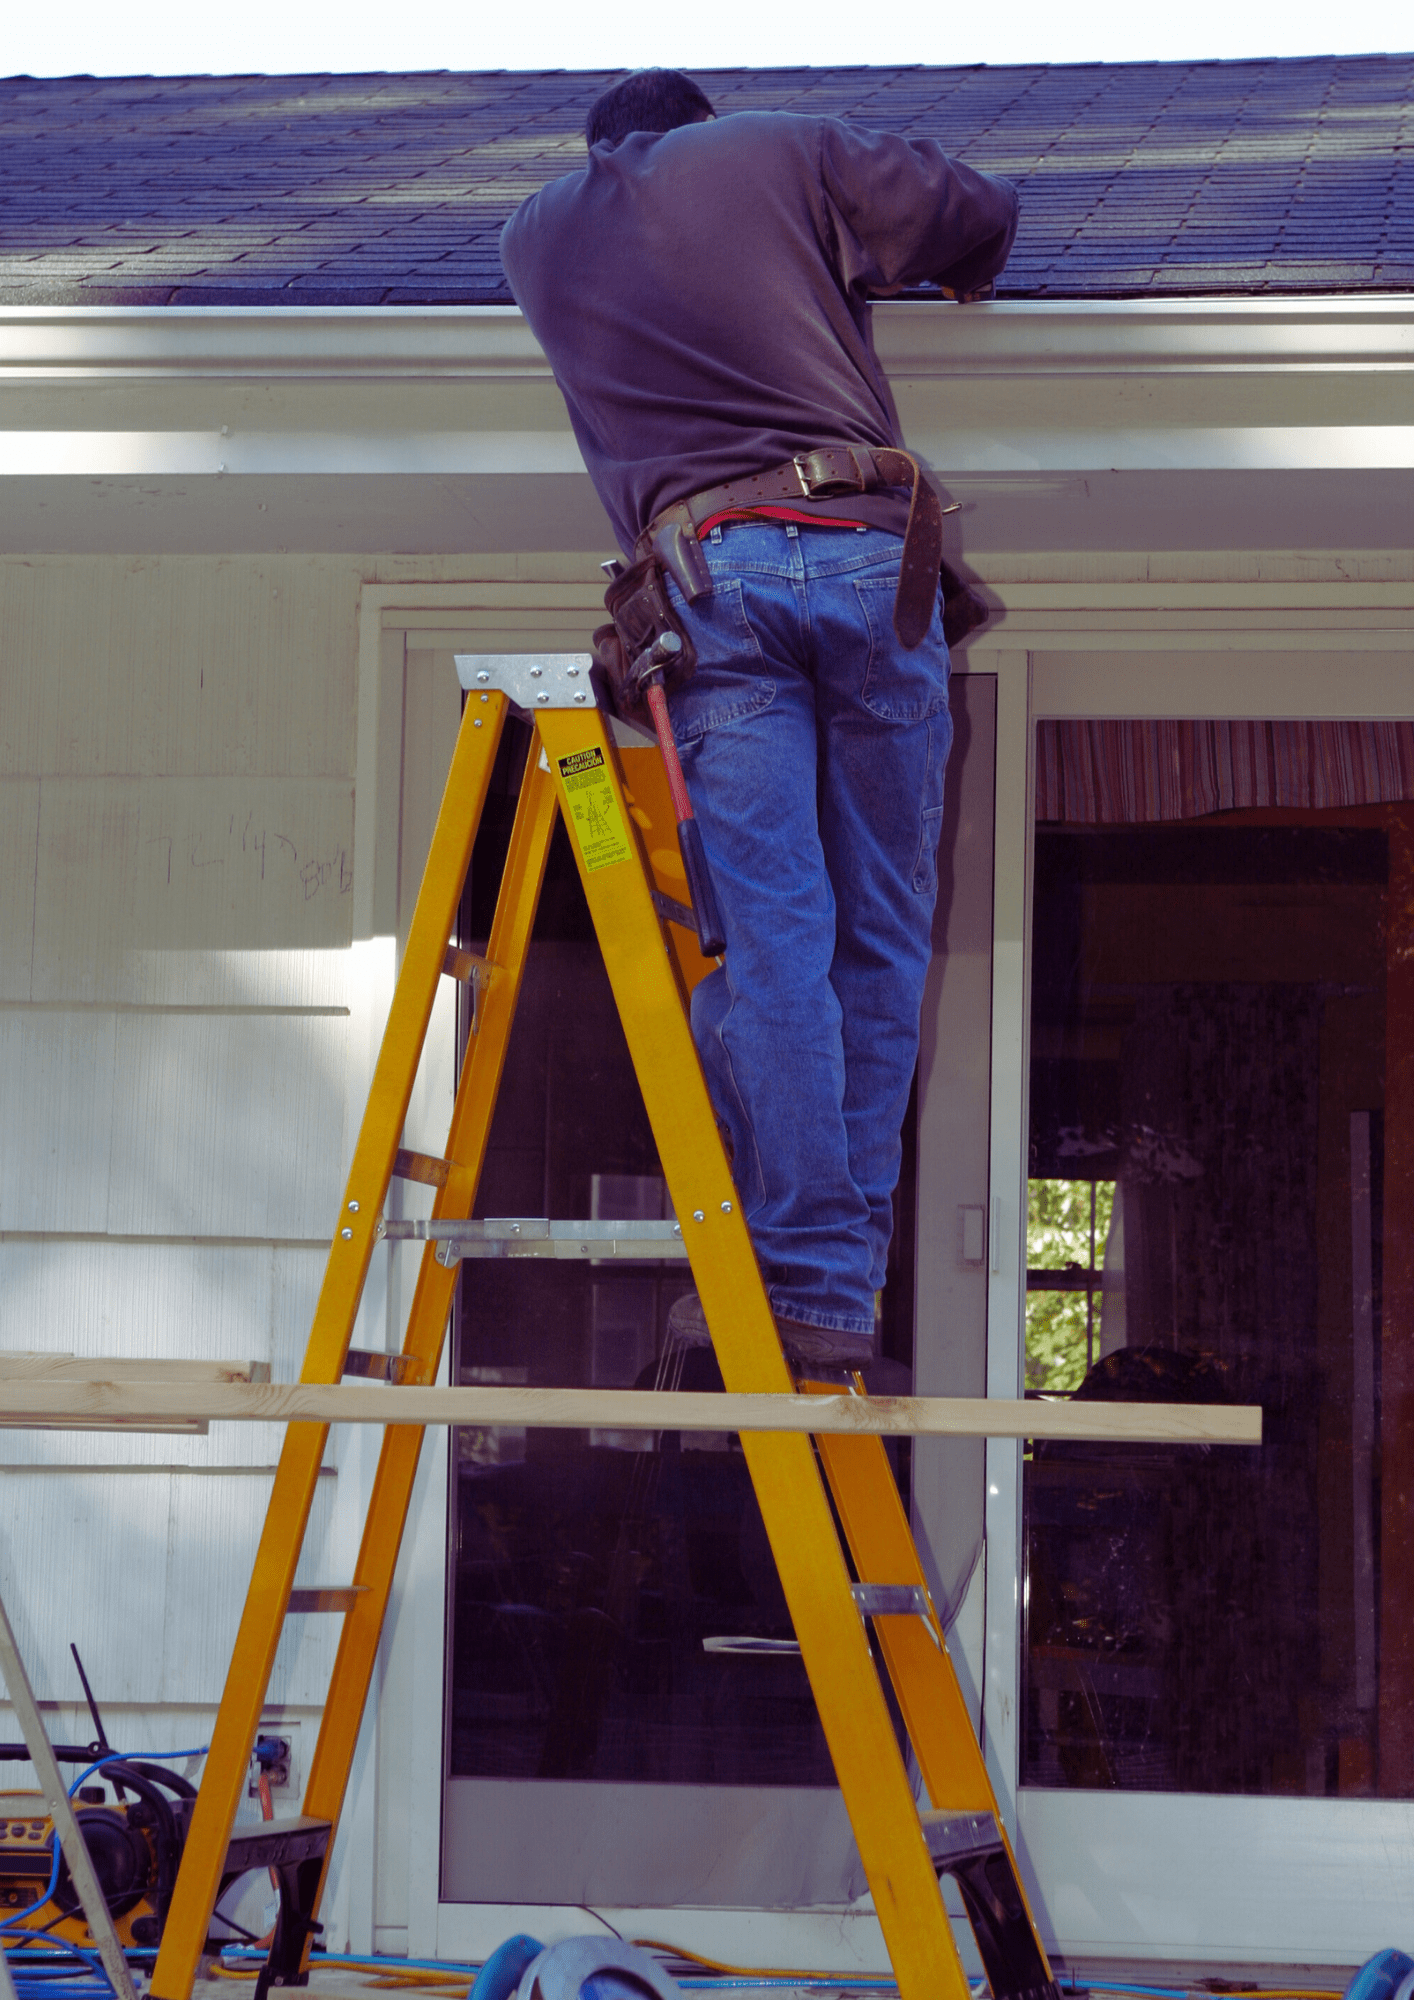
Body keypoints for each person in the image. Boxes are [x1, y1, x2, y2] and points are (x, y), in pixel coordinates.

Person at [501, 69, 1018, 1372]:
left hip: (703, 590)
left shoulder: (535, 235)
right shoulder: (772, 150)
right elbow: (966, 210)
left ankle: (816, 1279)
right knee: (880, 939)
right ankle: (831, 1284)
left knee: (773, 944)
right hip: (858, 554)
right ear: (700, 125)